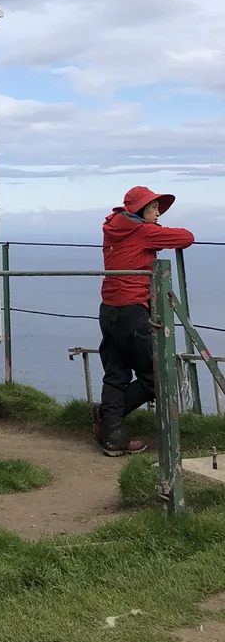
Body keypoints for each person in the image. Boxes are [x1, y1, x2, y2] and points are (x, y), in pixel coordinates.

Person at [95, 186, 194, 457]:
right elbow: (186, 237)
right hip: (132, 310)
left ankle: (113, 437)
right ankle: (106, 418)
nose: (158, 212)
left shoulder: (113, 227)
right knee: (155, 376)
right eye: (153, 208)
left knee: (115, 374)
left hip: (109, 308)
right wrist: (155, 232)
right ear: (140, 210)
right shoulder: (143, 231)